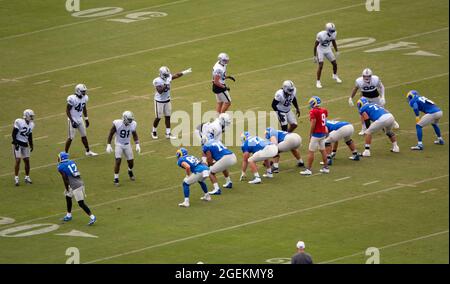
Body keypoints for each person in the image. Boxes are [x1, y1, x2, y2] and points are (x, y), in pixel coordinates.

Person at [349, 68, 399, 135]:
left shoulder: (376, 79)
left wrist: (383, 97)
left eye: (368, 76)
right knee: (362, 112)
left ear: (371, 76)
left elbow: (381, 87)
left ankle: (393, 121)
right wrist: (350, 98)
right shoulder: (359, 81)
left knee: (382, 110)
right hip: (365, 98)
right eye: (365, 76)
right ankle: (363, 129)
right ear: (362, 76)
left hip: (375, 97)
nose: (366, 78)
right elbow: (355, 89)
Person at [151, 66, 192, 139]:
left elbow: (176, 75)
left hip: (167, 100)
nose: (167, 76)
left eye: (167, 74)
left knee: (168, 116)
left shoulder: (168, 77)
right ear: (161, 74)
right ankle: (153, 131)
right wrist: (166, 84)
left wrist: (185, 72)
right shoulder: (157, 80)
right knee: (158, 117)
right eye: (165, 75)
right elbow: (160, 91)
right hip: (159, 101)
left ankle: (168, 133)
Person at [57, 152, 96, 225]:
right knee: (68, 196)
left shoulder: (61, 166)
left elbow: (65, 179)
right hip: (78, 182)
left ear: (62, 158)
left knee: (81, 203)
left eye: (59, 157)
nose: (58, 158)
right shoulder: (71, 162)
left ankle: (92, 217)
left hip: (75, 186)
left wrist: (67, 188)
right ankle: (69, 215)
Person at [106, 111, 141, 186]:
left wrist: (137, 144)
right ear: (124, 118)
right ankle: (116, 178)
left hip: (127, 144)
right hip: (118, 144)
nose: (131, 121)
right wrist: (108, 144)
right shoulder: (117, 123)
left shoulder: (133, 124)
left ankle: (129, 170)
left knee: (131, 163)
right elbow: (111, 133)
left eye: (131, 119)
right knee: (118, 161)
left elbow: (135, 134)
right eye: (129, 119)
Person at [65, 84, 98, 156]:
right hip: (72, 118)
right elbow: (67, 110)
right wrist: (72, 121)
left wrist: (86, 119)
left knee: (84, 135)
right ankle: (65, 154)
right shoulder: (72, 98)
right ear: (78, 91)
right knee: (70, 137)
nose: (84, 93)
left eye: (84, 91)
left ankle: (88, 151)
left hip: (80, 118)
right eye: (83, 91)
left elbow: (84, 107)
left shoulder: (85, 98)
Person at [300, 96, 329, 175]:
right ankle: (326, 167)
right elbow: (325, 121)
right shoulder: (324, 110)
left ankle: (308, 169)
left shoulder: (313, 111)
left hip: (316, 134)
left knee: (311, 151)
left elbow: (313, 123)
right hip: (323, 133)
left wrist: (310, 134)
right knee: (323, 150)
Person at [313, 23, 341, 89]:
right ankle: (318, 82)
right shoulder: (321, 35)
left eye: (333, 30)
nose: (332, 32)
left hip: (328, 48)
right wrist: (314, 56)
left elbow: (334, 41)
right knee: (321, 65)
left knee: (335, 64)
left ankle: (335, 76)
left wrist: (336, 51)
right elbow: (315, 45)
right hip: (320, 49)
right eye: (331, 30)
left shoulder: (334, 33)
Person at [12, 109, 35, 186]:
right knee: (18, 160)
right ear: (27, 116)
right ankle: (16, 178)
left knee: (27, 160)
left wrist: (31, 144)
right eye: (31, 116)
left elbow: (30, 135)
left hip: (25, 144)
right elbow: (14, 133)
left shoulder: (32, 124)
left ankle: (27, 177)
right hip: (17, 142)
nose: (32, 117)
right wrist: (15, 143)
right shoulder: (19, 122)